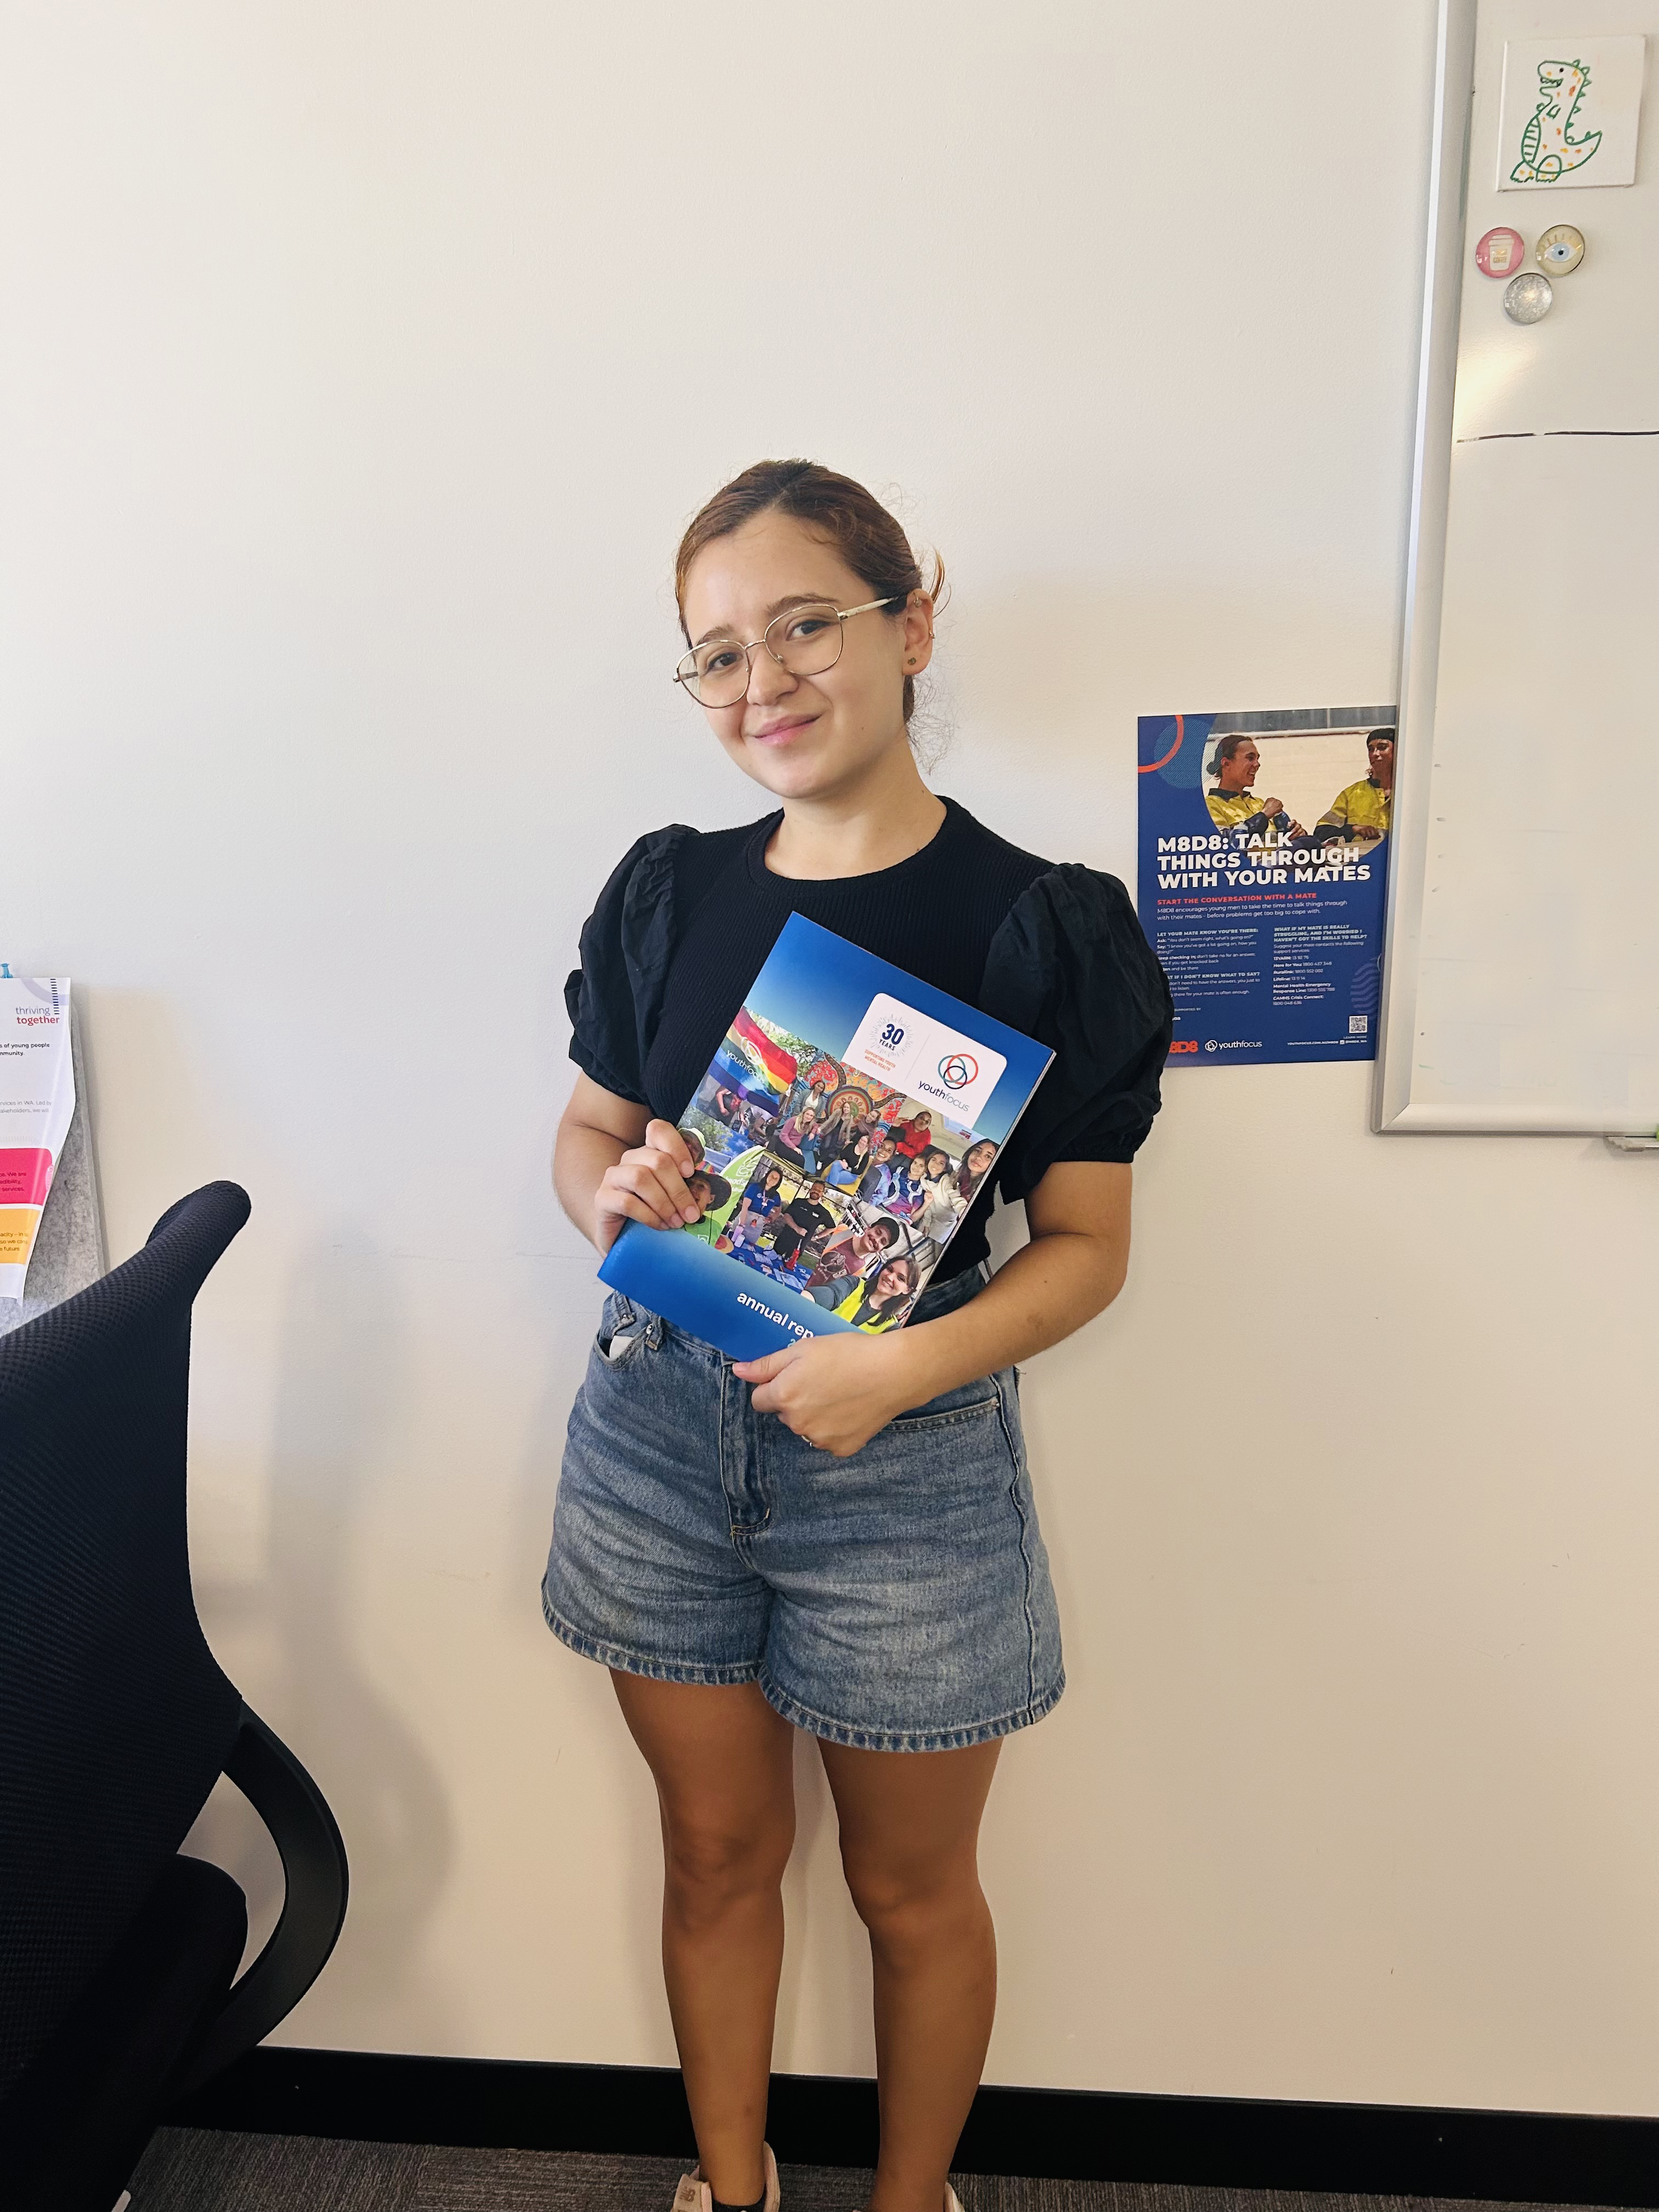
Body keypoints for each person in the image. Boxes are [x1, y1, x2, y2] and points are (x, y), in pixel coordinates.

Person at [547, 459, 1171, 2212]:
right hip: (659, 1441)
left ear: (912, 623)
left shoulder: (1037, 921)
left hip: (906, 1463)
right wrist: (619, 1203)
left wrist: (898, 1367)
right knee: (715, 1853)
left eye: (806, 625)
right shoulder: (669, 892)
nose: (765, 682)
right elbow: (587, 1140)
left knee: (911, 1892)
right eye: (719, 652)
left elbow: (1089, 1249)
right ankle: (729, 2189)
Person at [1204, 733, 1307, 840]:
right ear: (1226, 763)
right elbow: (1221, 844)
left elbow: (1287, 841)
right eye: (1250, 758)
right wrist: (1264, 816)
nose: (1257, 764)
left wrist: (1298, 834)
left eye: (1257, 759)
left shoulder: (1260, 804)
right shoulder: (1209, 805)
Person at [1309, 727, 1395, 848]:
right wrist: (1353, 829)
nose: (1375, 754)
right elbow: (1321, 832)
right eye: (1371, 749)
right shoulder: (1352, 794)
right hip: (1361, 858)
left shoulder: (1409, 792)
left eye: (1382, 748)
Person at [803, 1214, 904, 1308]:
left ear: (881, 1250)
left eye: (883, 1242)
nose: (876, 1240)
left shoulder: (860, 1272)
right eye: (878, 1232)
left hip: (810, 1301)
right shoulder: (842, 1231)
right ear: (868, 1228)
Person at [834, 1251, 922, 1333]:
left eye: (900, 1278)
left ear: (907, 1290)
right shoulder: (853, 1285)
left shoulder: (891, 1327)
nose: (890, 1277)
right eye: (890, 1270)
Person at [765, 1177, 837, 1271]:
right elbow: (787, 1215)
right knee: (768, 1263)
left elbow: (832, 1228)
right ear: (811, 1189)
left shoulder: (823, 1212)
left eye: (819, 1190)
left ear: (822, 1194)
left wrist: (816, 1237)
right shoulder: (798, 1202)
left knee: (785, 1269)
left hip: (798, 1248)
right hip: (783, 1240)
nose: (816, 1191)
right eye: (815, 1188)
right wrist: (797, 1228)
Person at [726, 1160, 786, 1251]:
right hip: (745, 1219)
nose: (773, 1179)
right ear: (767, 1175)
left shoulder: (776, 1196)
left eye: (776, 1179)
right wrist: (741, 1224)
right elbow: (745, 1207)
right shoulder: (755, 1187)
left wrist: (771, 1218)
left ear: (778, 1182)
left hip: (758, 1226)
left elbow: (778, 1210)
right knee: (731, 1244)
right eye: (772, 1176)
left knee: (746, 1249)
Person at [956, 1138, 997, 1206]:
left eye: (988, 1156)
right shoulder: (955, 1178)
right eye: (978, 1151)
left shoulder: (988, 1194)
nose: (978, 1157)